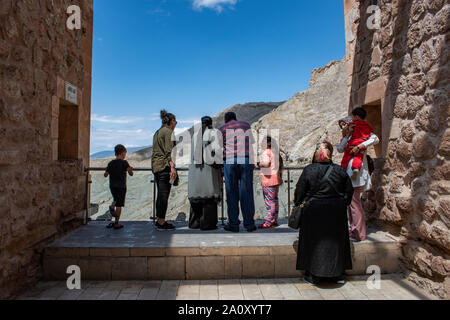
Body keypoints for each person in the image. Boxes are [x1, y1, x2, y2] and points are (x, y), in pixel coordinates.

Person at [294, 141, 354, 285]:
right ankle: (337, 274)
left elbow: (299, 191)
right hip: (336, 211)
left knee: (313, 242)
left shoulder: (309, 170)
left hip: (314, 211)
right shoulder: (340, 170)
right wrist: (341, 203)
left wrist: (299, 203)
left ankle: (314, 274)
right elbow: (349, 191)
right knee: (336, 243)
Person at [338, 107, 380, 242]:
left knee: (354, 202)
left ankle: (359, 233)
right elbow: (340, 148)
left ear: (356, 116)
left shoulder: (364, 131)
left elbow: (375, 139)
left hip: (356, 171)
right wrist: (346, 136)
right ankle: (353, 229)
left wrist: (360, 146)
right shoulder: (351, 134)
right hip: (349, 170)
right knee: (351, 202)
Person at [219, 112, 257, 233]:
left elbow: (219, 148)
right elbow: (250, 144)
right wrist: (252, 161)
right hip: (245, 159)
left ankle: (234, 224)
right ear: (235, 118)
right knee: (246, 192)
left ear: (226, 120)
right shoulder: (246, 125)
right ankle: (249, 224)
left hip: (230, 161)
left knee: (231, 193)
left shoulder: (222, 128)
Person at [187, 116, 223, 230]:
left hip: (195, 172)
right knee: (208, 196)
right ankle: (208, 224)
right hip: (208, 171)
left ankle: (194, 223)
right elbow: (217, 152)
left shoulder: (194, 136)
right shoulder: (213, 133)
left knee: (196, 196)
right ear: (210, 124)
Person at [151, 110, 178, 231]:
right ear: (171, 121)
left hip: (156, 166)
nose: (176, 123)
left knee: (160, 195)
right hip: (164, 167)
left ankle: (159, 219)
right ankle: (161, 222)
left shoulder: (157, 132)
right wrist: (172, 167)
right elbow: (169, 151)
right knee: (163, 195)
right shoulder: (168, 132)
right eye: (175, 120)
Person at [104, 144, 134, 230]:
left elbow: (105, 175)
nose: (125, 155)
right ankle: (116, 223)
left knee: (115, 199)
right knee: (119, 205)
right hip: (121, 186)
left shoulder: (111, 163)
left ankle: (112, 206)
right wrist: (130, 169)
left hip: (112, 186)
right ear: (122, 153)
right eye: (125, 153)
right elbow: (131, 174)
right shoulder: (124, 163)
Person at [257, 136, 283, 229]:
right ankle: (274, 220)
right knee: (275, 201)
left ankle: (268, 222)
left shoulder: (266, 152)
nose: (261, 144)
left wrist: (259, 164)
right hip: (275, 179)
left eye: (263, 142)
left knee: (269, 202)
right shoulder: (274, 152)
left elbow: (266, 164)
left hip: (268, 180)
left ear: (268, 143)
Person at [341, 108, 374, 174]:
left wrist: (345, 132)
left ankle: (342, 168)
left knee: (346, 156)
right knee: (359, 157)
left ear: (356, 117)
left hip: (353, 143)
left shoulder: (353, 124)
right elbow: (371, 131)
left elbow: (344, 129)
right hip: (362, 142)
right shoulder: (367, 125)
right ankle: (356, 168)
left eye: (352, 116)